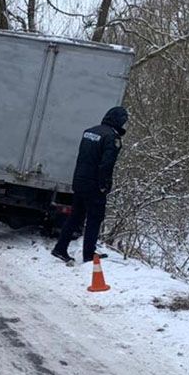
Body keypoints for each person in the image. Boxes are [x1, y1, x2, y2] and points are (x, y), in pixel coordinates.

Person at [51, 106, 128, 264]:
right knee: (94, 218)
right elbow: (106, 164)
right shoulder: (112, 138)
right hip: (94, 185)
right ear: (119, 121)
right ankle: (88, 254)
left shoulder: (90, 132)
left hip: (79, 181)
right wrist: (104, 185)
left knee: (75, 216)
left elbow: (83, 158)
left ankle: (60, 248)